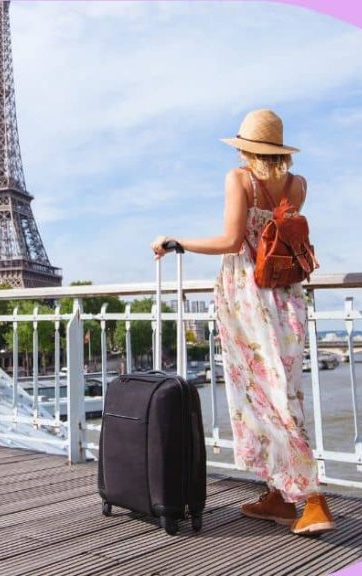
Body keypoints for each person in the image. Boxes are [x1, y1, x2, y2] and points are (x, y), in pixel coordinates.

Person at [150, 109, 335, 536]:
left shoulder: (240, 179)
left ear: (245, 148)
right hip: (287, 298)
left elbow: (232, 241)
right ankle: (278, 496)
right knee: (282, 394)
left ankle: (312, 498)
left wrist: (175, 241)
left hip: (249, 298)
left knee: (264, 399)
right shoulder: (298, 185)